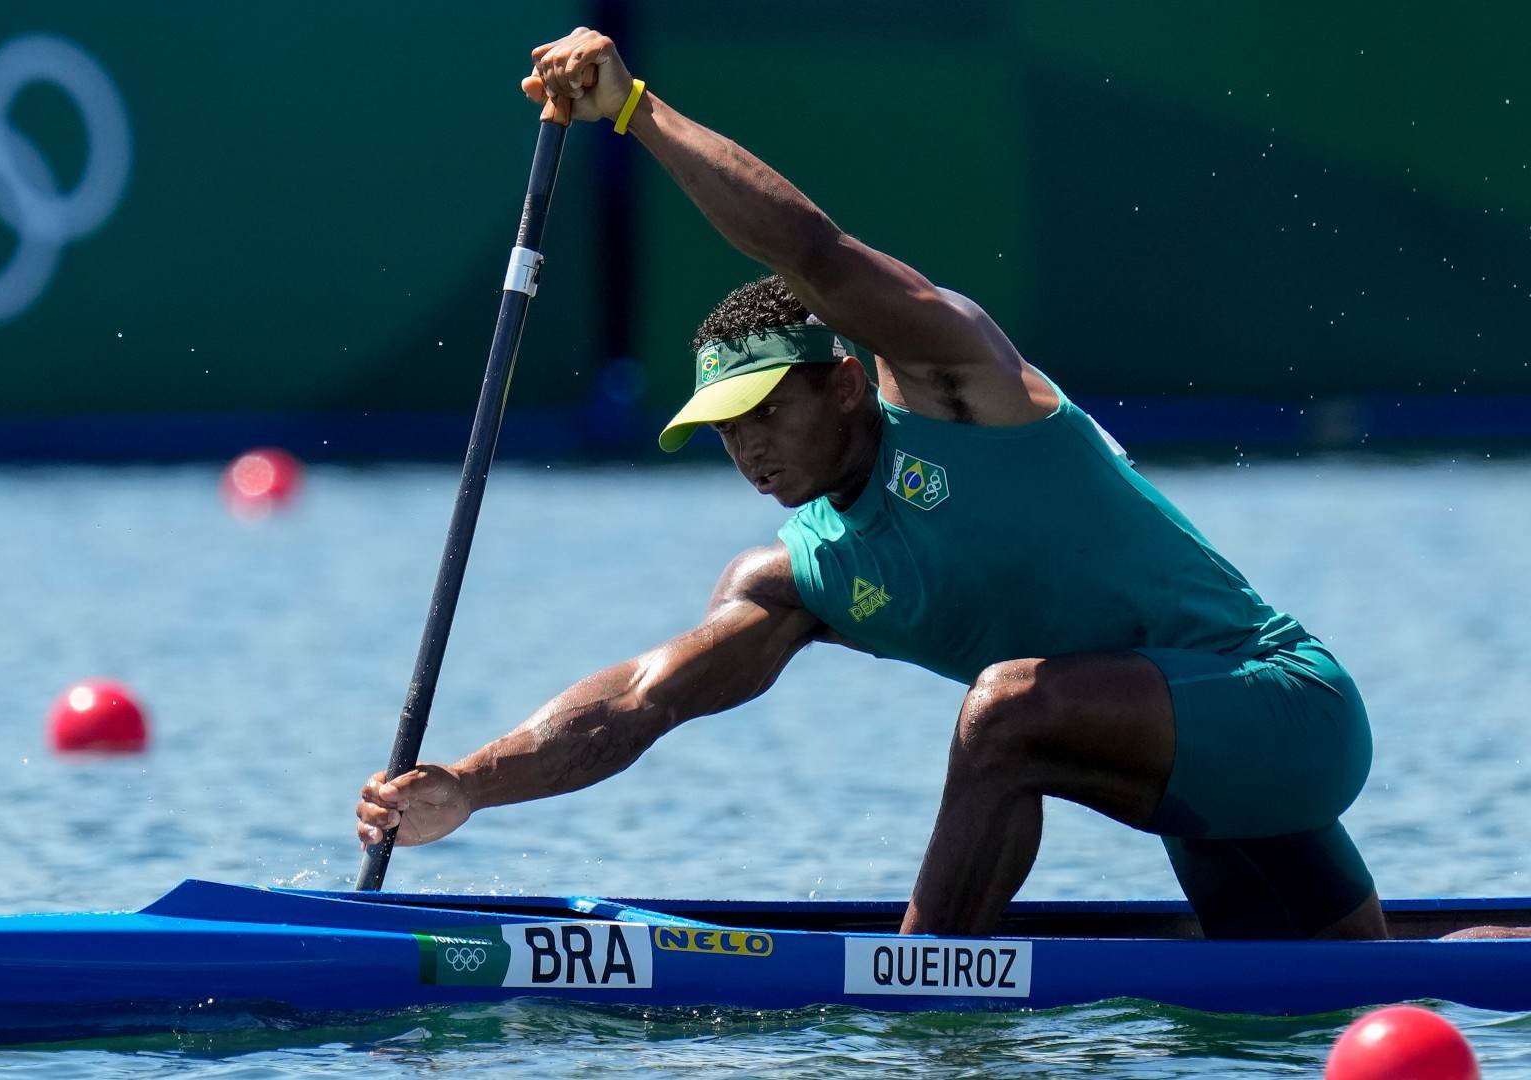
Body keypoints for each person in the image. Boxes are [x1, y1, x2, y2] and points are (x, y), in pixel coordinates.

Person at [356, 27, 1385, 940]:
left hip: (1282, 709)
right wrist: (466, 788)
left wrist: (634, 110)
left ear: (846, 382)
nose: (750, 449)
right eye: (725, 429)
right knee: (1358, 989)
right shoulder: (801, 575)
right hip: (1192, 772)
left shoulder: (958, 387)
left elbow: (810, 250)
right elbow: (638, 700)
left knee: (1005, 711)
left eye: (768, 411)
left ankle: (925, 991)